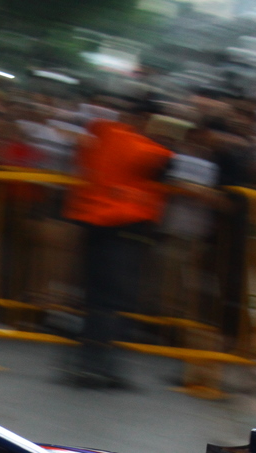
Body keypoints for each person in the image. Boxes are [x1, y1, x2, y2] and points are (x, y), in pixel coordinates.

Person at [62, 98, 173, 388]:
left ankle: (86, 364)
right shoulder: (137, 144)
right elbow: (163, 162)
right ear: (145, 118)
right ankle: (102, 369)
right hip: (121, 230)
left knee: (95, 299)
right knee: (113, 302)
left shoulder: (100, 136)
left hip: (93, 225)